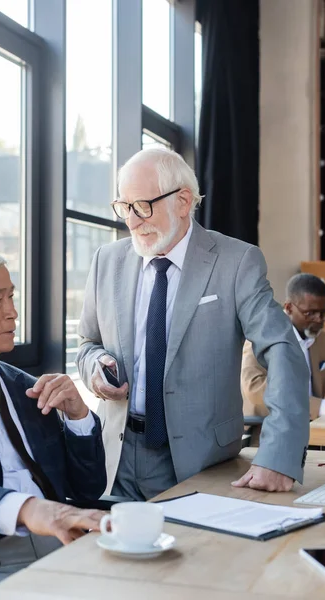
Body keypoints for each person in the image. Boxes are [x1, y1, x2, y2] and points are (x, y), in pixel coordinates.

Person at [76, 148, 309, 502]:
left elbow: (282, 350)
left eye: (142, 206)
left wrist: (279, 454)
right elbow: (87, 342)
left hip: (200, 462)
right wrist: (95, 367)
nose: (132, 221)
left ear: (183, 201)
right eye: (124, 207)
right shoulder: (106, 260)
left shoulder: (237, 261)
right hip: (116, 457)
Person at [0, 247, 106, 599]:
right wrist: (28, 509)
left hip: (64, 541)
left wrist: (78, 417)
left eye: (12, 297)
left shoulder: (25, 387)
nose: (13, 313)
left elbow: (89, 489)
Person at [242, 273, 325, 430]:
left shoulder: (324, 341)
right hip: (267, 432)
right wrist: (321, 406)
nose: (319, 319)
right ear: (288, 308)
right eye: (310, 313)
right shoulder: (261, 338)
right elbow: (254, 387)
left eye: (323, 312)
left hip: (314, 431)